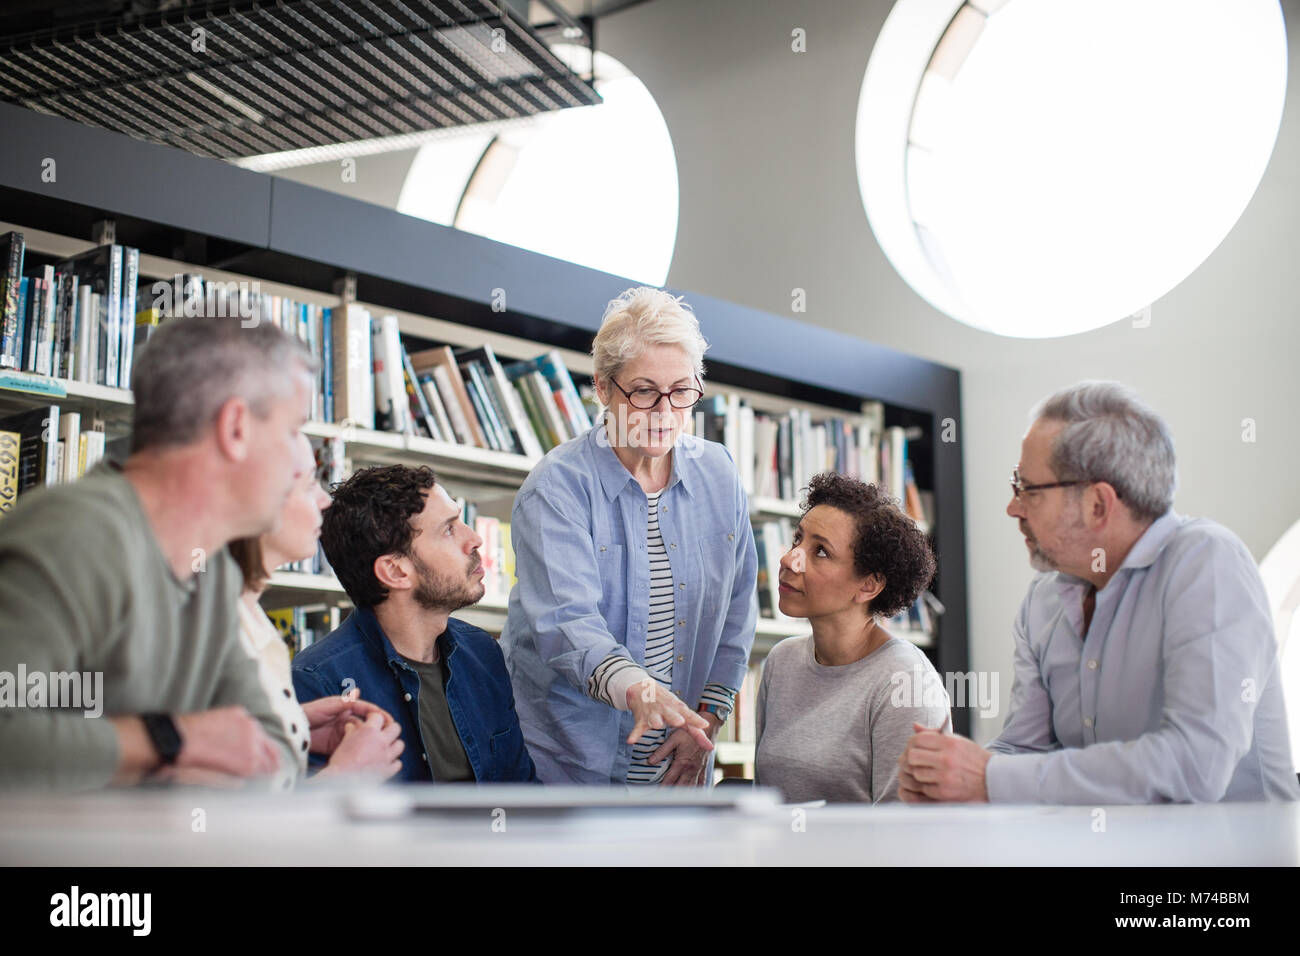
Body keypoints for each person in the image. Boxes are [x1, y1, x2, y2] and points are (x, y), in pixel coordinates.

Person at [899, 381, 1300, 804]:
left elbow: (1194, 766)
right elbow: (1021, 752)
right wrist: (947, 780)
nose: (1013, 507)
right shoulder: (1044, 599)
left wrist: (988, 778)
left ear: (1098, 504)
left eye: (1028, 489)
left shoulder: (1207, 563)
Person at [0, 315, 311, 789]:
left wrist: (132, 764)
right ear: (236, 428)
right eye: (293, 432)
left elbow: (270, 754)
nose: (298, 467)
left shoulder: (213, 573)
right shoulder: (73, 536)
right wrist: (171, 741)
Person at [500, 286, 759, 785]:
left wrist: (708, 718)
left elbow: (738, 609)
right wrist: (642, 693)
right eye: (643, 391)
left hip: (684, 754)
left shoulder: (719, 474)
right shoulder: (557, 487)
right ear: (602, 388)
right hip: (574, 760)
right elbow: (568, 624)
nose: (664, 412)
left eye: (682, 391)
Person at [291, 464, 535, 783]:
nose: (474, 540)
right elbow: (316, 825)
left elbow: (522, 794)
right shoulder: (316, 683)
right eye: (449, 529)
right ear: (396, 572)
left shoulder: (483, 653)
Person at [755, 473, 949, 803]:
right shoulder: (781, 661)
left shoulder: (905, 682)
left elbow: (908, 835)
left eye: (820, 552)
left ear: (868, 585)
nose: (789, 559)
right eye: (797, 540)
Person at [228, 432, 404, 783]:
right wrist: (344, 776)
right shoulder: (209, 628)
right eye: (309, 484)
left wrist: (290, 725)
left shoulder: (252, 617)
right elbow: (220, 824)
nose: (325, 501)